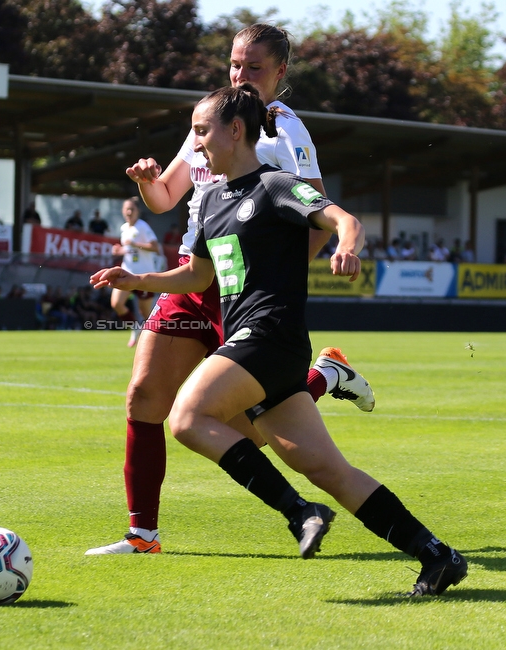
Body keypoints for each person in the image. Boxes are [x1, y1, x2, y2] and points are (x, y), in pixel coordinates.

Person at [91, 85, 467, 597]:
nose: (196, 143)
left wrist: (348, 248)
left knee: (185, 418)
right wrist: (137, 281)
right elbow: (197, 279)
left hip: (267, 335)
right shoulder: (212, 203)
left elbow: (343, 219)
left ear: (235, 131)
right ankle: (436, 554)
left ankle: (300, 513)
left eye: (202, 131)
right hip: (267, 351)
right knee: (329, 469)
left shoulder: (275, 185)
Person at [86, 24, 374, 560]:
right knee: (144, 395)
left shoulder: (287, 135)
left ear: (281, 72)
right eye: (235, 65)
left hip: (246, 293)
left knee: (252, 429)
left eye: (254, 67)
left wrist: (277, 278)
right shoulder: (213, 117)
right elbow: (167, 195)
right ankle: (142, 536)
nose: (240, 75)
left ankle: (323, 377)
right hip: (192, 276)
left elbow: (317, 216)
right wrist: (148, 182)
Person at [110, 197, 160, 348]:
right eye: (127, 209)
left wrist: (135, 244)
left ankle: (156, 340)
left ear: (138, 211)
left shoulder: (142, 227)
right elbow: (130, 250)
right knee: (116, 303)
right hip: (128, 272)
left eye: (132, 209)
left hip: (144, 276)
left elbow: (155, 248)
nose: (129, 212)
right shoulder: (124, 228)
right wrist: (119, 250)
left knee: (146, 313)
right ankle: (135, 328)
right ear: (123, 211)